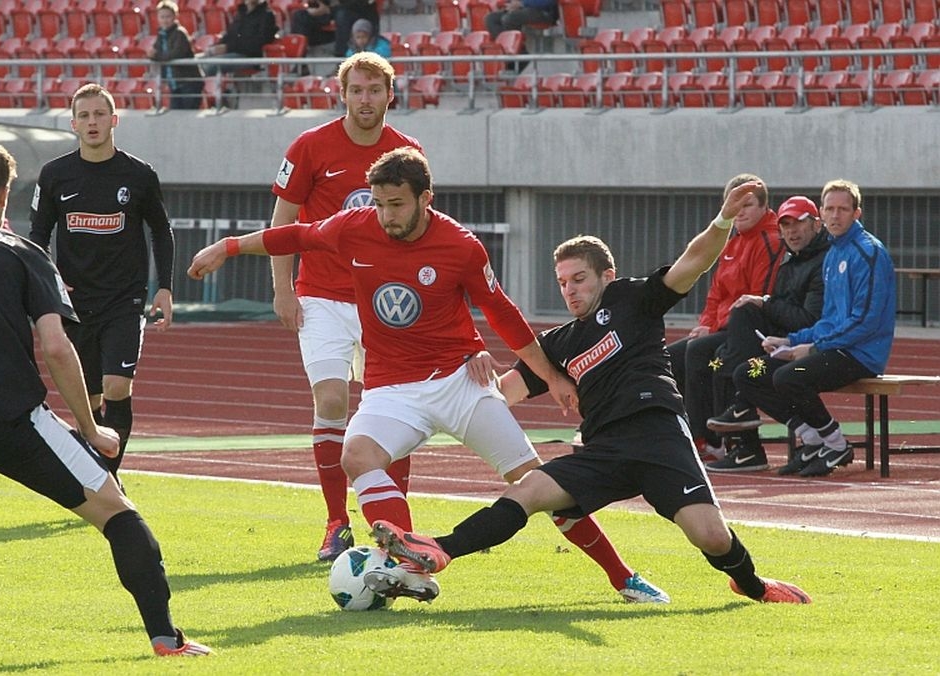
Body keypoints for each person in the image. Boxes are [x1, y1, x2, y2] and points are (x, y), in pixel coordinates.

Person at [190, 147, 671, 606]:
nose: (386, 215)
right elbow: (295, 236)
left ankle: (621, 575)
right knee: (356, 454)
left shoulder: (460, 246)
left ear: (425, 198)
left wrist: (553, 377)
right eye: (379, 203)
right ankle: (409, 561)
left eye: (396, 204)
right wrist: (228, 247)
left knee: (536, 482)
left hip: (460, 383)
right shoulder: (355, 227)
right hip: (392, 389)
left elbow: (502, 314)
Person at [368, 180, 813, 606]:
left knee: (711, 537)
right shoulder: (557, 344)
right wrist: (470, 360)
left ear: (607, 275)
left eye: (579, 279)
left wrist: (722, 221)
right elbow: (501, 395)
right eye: (562, 282)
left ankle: (754, 586)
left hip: (658, 436)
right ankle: (438, 549)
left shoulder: (633, 299)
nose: (570, 290)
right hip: (603, 451)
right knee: (528, 488)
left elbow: (693, 262)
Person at [0, 135, 210, 656]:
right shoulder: (24, 252)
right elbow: (57, 348)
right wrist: (90, 429)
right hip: (12, 419)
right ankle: (164, 636)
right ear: (4, 196)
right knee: (117, 511)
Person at [269, 53, 420, 562]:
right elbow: (284, 222)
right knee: (332, 400)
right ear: (343, 94)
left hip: (386, 301)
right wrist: (283, 288)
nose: (365, 99)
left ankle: (395, 526)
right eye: (356, 89)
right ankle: (337, 522)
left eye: (374, 90)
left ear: (389, 94)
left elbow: (420, 229)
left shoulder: (407, 152)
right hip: (322, 295)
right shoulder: (311, 145)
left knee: (394, 411)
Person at [29, 83, 176, 481]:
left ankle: (108, 478)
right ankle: (96, 469)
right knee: (89, 397)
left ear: (114, 120)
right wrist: (49, 279)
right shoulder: (55, 175)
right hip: (76, 303)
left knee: (116, 387)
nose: (92, 122)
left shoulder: (139, 174)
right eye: (84, 116)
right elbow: (38, 236)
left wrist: (164, 286)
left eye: (99, 114)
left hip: (124, 300)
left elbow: (161, 231)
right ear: (73, 124)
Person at [728, 179, 896, 478]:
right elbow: (827, 320)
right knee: (748, 373)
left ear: (857, 213)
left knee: (790, 376)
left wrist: (813, 348)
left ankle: (836, 444)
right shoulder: (833, 255)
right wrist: (790, 340)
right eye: (830, 209)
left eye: (843, 209)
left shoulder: (868, 252)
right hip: (833, 347)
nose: (835, 215)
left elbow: (865, 321)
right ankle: (813, 439)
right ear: (821, 213)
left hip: (860, 354)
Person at [703, 195, 830, 472]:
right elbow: (716, 293)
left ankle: (743, 438)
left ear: (816, 224)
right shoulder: (790, 262)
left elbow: (807, 319)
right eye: (786, 225)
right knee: (714, 357)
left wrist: (766, 305)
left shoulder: (819, 262)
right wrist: (708, 324)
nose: (792, 232)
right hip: (770, 339)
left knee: (736, 364)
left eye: (798, 224)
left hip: (812, 346)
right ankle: (706, 439)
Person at [668, 173, 784, 463]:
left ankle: (709, 440)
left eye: (747, 205)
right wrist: (706, 324)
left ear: (764, 207)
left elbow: (758, 298)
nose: (739, 213)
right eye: (734, 206)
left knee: (702, 354)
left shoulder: (770, 241)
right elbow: (715, 294)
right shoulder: (731, 244)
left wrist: (714, 329)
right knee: (670, 357)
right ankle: (685, 432)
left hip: (751, 332)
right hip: (723, 328)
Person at [149, 0, 203, 110]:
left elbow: (175, 54)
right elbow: (154, 51)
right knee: (175, 114)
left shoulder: (180, 33)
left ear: (175, 16)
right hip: (174, 83)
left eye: (168, 16)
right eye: (162, 17)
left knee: (187, 114)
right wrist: (152, 55)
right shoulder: (161, 34)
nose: (165, 20)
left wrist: (156, 56)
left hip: (189, 83)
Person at [200, 0, 278, 75]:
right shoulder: (241, 12)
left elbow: (257, 44)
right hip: (232, 52)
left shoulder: (267, 15)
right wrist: (215, 47)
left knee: (209, 66)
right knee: (196, 63)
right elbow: (230, 35)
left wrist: (228, 48)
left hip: (250, 57)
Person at [291, 0, 378, 59]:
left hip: (358, 15)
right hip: (331, 15)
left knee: (342, 15)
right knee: (299, 16)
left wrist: (328, 9)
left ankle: (340, 60)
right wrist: (314, 4)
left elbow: (359, 4)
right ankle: (300, 62)